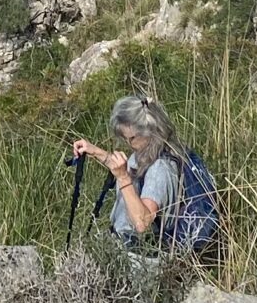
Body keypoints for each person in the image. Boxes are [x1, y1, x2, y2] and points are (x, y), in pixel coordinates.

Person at [73, 96, 186, 247]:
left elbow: (142, 223)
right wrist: (95, 151)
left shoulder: (160, 169)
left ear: (148, 130)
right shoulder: (147, 153)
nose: (128, 143)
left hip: (140, 258)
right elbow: (129, 170)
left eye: (130, 138)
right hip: (128, 248)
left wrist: (122, 177)